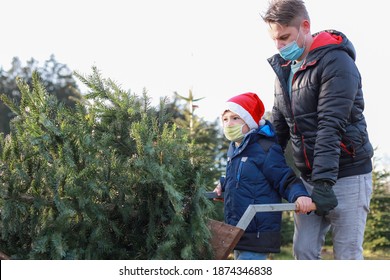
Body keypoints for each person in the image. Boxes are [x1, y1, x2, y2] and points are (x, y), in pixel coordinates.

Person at [261, 0, 374, 259]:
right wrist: (254, 166)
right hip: (309, 179)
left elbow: (330, 125)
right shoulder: (285, 70)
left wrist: (324, 184)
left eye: (285, 37)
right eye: (274, 40)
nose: (280, 46)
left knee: (346, 255)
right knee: (304, 251)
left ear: (305, 26)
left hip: (348, 173)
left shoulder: (337, 62)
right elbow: (279, 128)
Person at [213, 92, 313, 260]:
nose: (229, 124)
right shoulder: (234, 149)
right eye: (225, 119)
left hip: (257, 230)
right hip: (238, 229)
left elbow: (284, 177)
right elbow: (243, 177)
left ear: (249, 121)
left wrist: (300, 195)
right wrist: (223, 184)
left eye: (236, 118)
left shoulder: (264, 148)